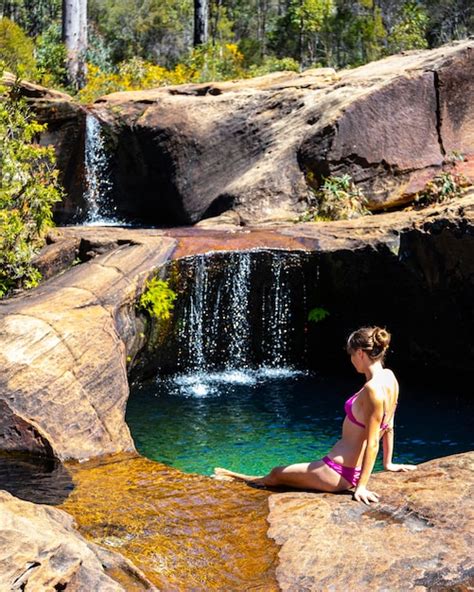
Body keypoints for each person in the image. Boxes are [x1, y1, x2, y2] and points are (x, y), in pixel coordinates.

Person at [214, 326, 416, 504]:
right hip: (346, 468)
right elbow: (388, 424)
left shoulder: (372, 389)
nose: (351, 360)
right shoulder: (390, 378)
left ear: (361, 353)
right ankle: (243, 478)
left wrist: (361, 487)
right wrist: (388, 463)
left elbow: (373, 442)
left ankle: (240, 479)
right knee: (282, 473)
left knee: (276, 473)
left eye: (351, 355)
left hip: (337, 471)